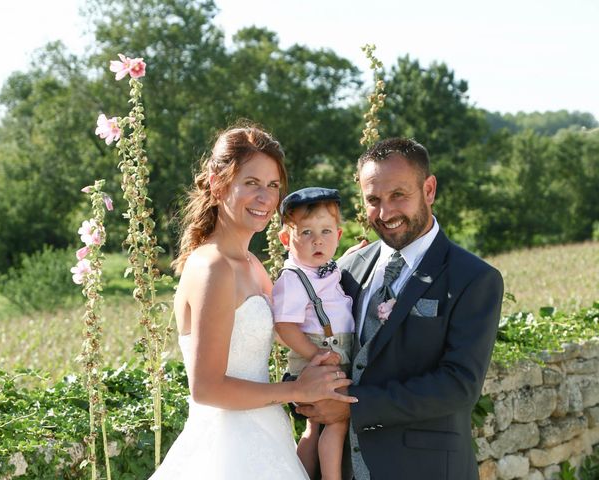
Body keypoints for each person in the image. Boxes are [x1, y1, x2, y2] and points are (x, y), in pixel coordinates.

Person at [150, 125, 357, 480]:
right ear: (218, 184)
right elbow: (207, 388)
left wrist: (340, 265)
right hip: (227, 449)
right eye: (251, 183)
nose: (265, 198)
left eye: (273, 186)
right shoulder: (214, 267)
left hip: (266, 434)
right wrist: (297, 389)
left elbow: (298, 304)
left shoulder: (250, 264)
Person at [296, 137, 504, 480]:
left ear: (429, 189)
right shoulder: (349, 269)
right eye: (373, 200)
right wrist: (302, 392)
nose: (385, 212)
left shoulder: (474, 278)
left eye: (398, 196)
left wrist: (351, 405)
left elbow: (458, 385)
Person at [272, 187, 355, 480]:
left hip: (330, 354)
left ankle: (302, 475)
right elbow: (284, 326)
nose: (317, 240)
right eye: (305, 232)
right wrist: (316, 354)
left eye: (326, 231)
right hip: (319, 358)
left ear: (338, 235)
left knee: (314, 425)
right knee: (336, 422)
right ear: (285, 239)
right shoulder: (293, 278)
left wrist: (348, 257)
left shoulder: (324, 269)